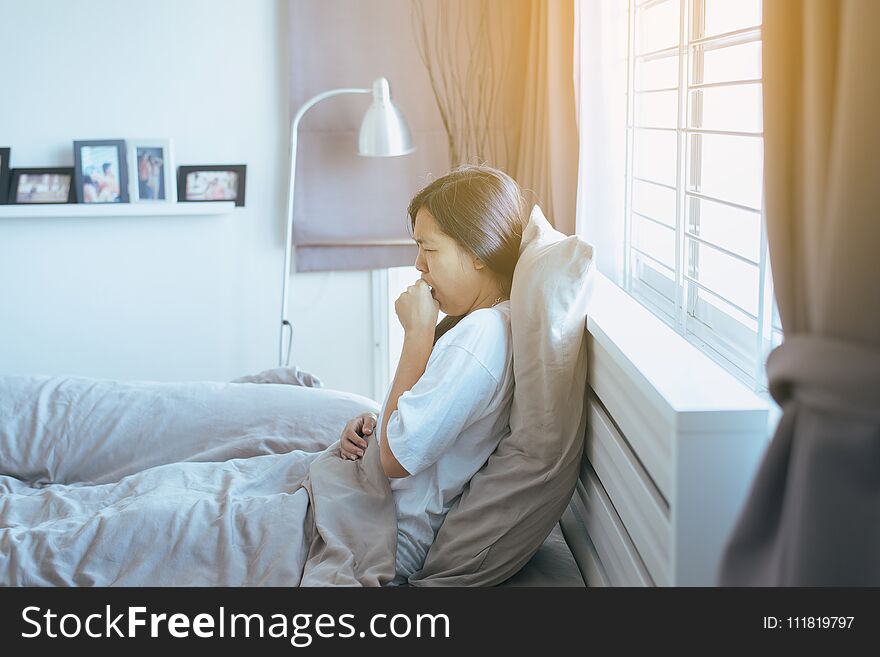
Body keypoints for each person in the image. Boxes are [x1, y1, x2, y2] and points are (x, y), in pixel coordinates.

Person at [337, 163, 527, 585]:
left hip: (388, 529)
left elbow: (394, 460)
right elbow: (412, 431)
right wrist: (378, 424)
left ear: (479, 251)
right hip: (377, 505)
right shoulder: (485, 322)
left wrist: (418, 333)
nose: (418, 263)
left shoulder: (481, 335)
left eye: (430, 248)